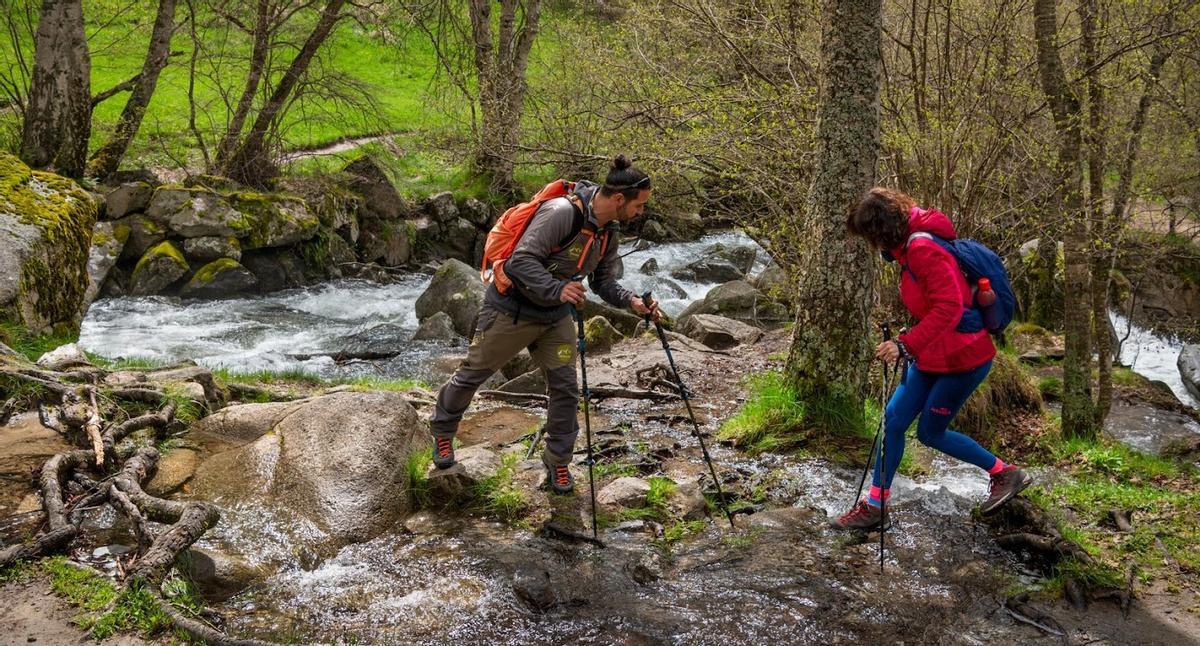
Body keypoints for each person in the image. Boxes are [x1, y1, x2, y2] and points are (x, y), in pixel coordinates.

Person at [428, 154, 661, 494]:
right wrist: (558, 288)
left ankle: (557, 461)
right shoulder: (561, 213)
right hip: (511, 310)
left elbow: (602, 281)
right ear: (618, 199)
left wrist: (632, 302)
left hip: (555, 318)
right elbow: (520, 261)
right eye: (639, 205)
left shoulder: (607, 232)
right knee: (473, 374)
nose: (641, 212)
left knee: (565, 389)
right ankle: (443, 432)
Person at [832, 187, 1029, 530]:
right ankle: (876, 506)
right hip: (933, 352)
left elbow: (950, 307)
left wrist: (905, 344)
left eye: (869, 237)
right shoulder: (908, 247)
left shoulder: (923, 249)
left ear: (881, 232)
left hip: (963, 357)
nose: (871, 246)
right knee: (893, 421)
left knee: (931, 433)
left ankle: (1005, 473)